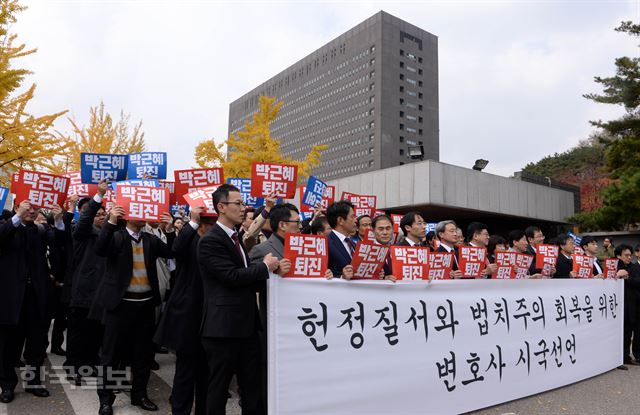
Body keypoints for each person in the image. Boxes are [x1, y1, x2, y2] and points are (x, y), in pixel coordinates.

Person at [198, 184, 289, 415]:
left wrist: (273, 272)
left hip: (247, 326)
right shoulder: (210, 241)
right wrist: (265, 267)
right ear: (221, 207)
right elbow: (230, 276)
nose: (242, 208)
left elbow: (247, 278)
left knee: (251, 386)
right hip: (223, 329)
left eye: (242, 203)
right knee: (218, 389)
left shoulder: (236, 238)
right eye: (237, 204)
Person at [94, 205, 176, 415]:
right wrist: (111, 221)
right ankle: (106, 399)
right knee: (110, 355)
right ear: (128, 215)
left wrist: (169, 230)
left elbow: (172, 252)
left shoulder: (149, 239)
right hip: (120, 305)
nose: (145, 216)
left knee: (143, 353)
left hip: (145, 305)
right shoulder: (117, 236)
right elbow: (100, 248)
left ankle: (139, 394)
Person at [0, 200, 66, 403]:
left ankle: (34, 382)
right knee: (7, 345)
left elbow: (60, 241)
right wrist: (17, 217)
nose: (31, 211)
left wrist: (59, 221)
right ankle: (7, 385)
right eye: (26, 207)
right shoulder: (6, 227)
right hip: (11, 297)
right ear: (17, 207)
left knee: (36, 343)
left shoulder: (40, 231)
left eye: (34, 208)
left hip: (37, 296)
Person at [154, 206, 213, 415]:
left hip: (212, 317)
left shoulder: (221, 242)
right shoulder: (190, 240)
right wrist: (192, 223)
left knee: (207, 374)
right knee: (186, 372)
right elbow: (175, 249)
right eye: (209, 224)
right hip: (188, 316)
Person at [65, 181, 109, 386]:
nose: (100, 217)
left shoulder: (109, 235)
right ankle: (74, 367)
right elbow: (85, 219)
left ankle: (90, 364)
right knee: (77, 333)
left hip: (102, 294)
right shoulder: (81, 232)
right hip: (83, 293)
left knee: (95, 333)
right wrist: (98, 196)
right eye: (97, 214)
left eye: (103, 214)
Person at [616, 244, 640, 369]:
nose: (629, 257)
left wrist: (627, 277)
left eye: (630, 255)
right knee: (622, 332)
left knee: (632, 331)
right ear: (618, 255)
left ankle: (630, 355)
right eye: (626, 255)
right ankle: (621, 356)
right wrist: (617, 275)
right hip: (617, 305)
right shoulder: (613, 267)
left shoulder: (634, 268)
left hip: (633, 304)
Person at [326, 201, 356, 280]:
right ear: (340, 220)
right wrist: (342, 277)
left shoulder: (353, 244)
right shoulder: (326, 244)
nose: (356, 220)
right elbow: (322, 275)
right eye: (352, 216)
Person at [370, 215, 398, 281]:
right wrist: (383, 279)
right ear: (373, 231)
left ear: (393, 230)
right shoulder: (368, 252)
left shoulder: (400, 250)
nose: (385, 233)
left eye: (388, 229)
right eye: (381, 229)